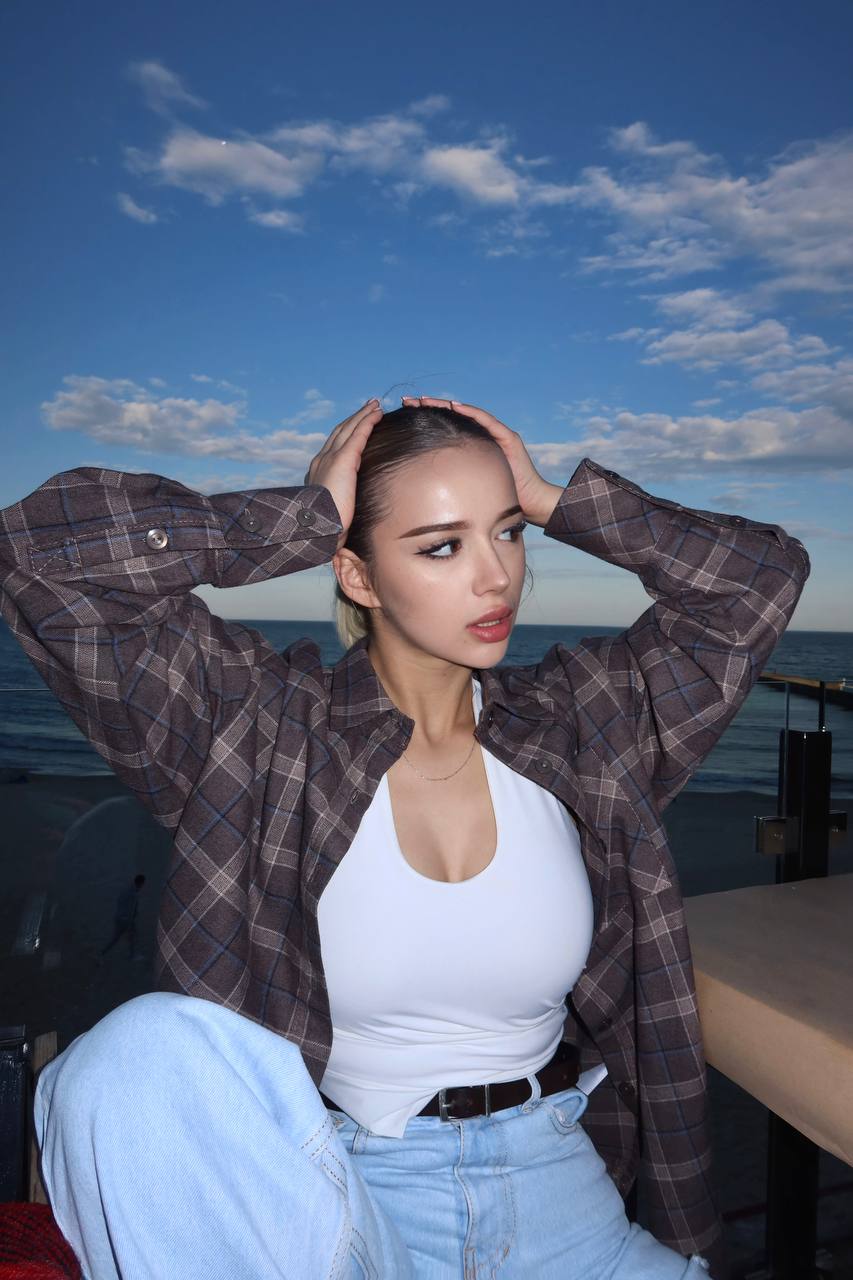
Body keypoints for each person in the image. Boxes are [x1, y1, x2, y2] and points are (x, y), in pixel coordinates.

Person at [0, 397, 810, 1279]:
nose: (497, 578)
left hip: (565, 1198)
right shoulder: (258, 729)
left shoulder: (585, 724)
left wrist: (560, 500)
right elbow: (37, 553)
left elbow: (757, 582)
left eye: (508, 533)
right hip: (345, 1206)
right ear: (357, 575)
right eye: (441, 546)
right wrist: (300, 517)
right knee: (132, 1051)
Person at [98, 874, 146, 960]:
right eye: (143, 884)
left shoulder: (127, 889)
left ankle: (102, 953)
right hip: (126, 920)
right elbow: (131, 910)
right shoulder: (134, 894)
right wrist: (130, 922)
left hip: (119, 917)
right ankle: (131, 955)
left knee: (118, 938)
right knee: (129, 936)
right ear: (141, 884)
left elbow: (120, 901)